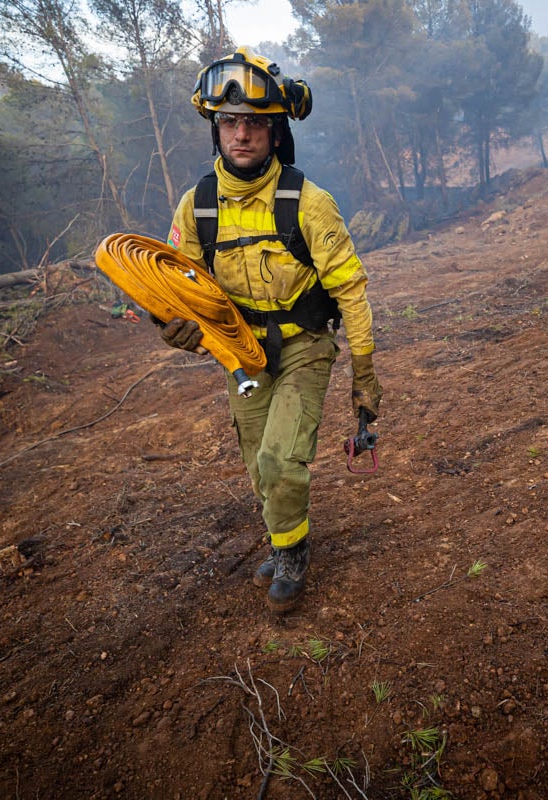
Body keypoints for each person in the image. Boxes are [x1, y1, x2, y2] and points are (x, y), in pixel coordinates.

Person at [157, 47, 382, 614]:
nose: (241, 134)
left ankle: (291, 556)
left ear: (276, 132)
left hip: (305, 346)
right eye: (229, 122)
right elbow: (175, 292)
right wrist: (172, 325)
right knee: (259, 462)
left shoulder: (310, 204)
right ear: (216, 129)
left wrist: (365, 376)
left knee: (282, 459)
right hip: (241, 354)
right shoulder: (196, 209)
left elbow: (351, 293)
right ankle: (288, 537)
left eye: (255, 123)